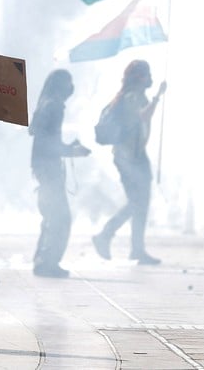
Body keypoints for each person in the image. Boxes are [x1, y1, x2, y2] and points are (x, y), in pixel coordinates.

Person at [92, 60, 166, 265]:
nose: (148, 77)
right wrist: (158, 97)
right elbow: (143, 116)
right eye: (145, 74)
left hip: (135, 155)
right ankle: (105, 235)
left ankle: (137, 249)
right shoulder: (132, 96)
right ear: (137, 77)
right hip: (128, 157)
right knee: (137, 203)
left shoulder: (135, 95)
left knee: (140, 204)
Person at [29, 69, 91, 278]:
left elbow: (46, 139)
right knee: (60, 217)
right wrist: (72, 151)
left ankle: (42, 259)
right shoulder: (54, 106)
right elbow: (50, 144)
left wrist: (67, 148)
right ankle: (48, 262)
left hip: (42, 166)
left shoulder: (45, 105)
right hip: (48, 168)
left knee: (51, 214)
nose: (70, 88)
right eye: (68, 83)